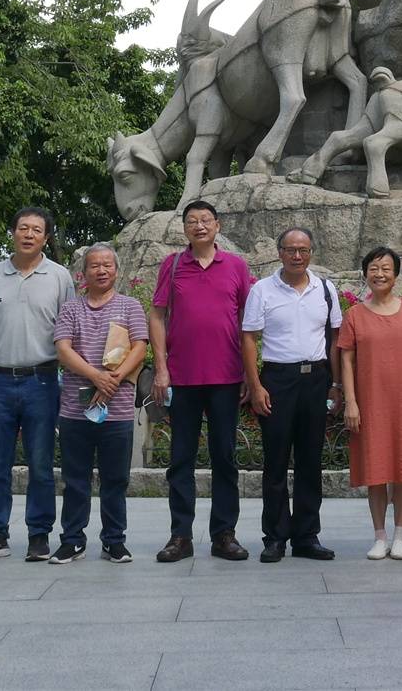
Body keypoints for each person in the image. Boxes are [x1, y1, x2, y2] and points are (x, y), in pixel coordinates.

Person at [0, 207, 76, 563]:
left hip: (42, 381)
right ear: (12, 232)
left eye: (37, 230)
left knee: (41, 465)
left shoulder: (59, 277)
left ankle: (39, 534)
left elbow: (69, 331)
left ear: (46, 237)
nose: (29, 234)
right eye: (23, 228)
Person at [149, 199, 254, 563]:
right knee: (181, 459)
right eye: (192, 221)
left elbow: (250, 322)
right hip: (184, 377)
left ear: (217, 225)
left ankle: (224, 534)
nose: (199, 226)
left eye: (206, 220)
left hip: (226, 377)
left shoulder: (237, 266)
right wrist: (160, 367)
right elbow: (157, 315)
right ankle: (180, 536)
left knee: (225, 457)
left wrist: (248, 372)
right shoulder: (173, 264)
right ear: (185, 229)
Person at [242, 227, 342, 563]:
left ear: (311, 252)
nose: (297, 256)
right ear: (279, 252)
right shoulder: (262, 290)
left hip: (315, 378)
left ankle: (306, 536)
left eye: (303, 250)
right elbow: (250, 339)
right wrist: (255, 386)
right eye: (290, 249)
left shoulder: (325, 289)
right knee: (275, 462)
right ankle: (274, 537)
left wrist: (336, 384)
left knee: (311, 461)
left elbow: (334, 340)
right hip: (277, 380)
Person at [52, 243, 147, 564]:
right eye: (95, 266)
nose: (101, 270)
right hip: (74, 410)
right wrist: (96, 376)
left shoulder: (130, 306)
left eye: (107, 265)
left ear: (116, 271)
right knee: (75, 478)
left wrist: (114, 379)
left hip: (117, 410)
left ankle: (114, 541)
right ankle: (72, 539)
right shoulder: (71, 309)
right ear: (84, 273)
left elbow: (139, 347)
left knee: (115, 479)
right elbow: (63, 349)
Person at [337, 246, 402, 560]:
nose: (380, 274)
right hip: (370, 402)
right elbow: (346, 361)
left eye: (386, 268)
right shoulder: (354, 316)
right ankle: (379, 536)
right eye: (374, 268)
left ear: (396, 274)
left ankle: (400, 536)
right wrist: (351, 401)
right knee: (376, 470)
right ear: (365, 274)